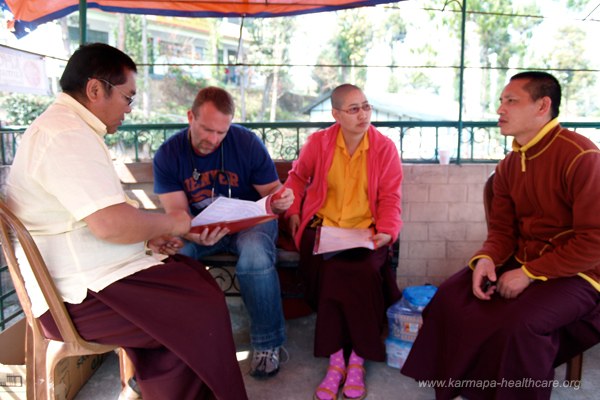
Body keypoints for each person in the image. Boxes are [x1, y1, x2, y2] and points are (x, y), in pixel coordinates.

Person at [6, 43, 248, 400]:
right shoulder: (64, 134)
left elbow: (92, 220)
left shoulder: (71, 128)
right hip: (72, 298)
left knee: (195, 281)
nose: (129, 109)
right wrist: (175, 224)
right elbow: (109, 224)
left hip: (88, 277)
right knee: (197, 311)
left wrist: (146, 240)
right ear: (94, 89)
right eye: (127, 97)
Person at [401, 71, 600, 399]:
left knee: (520, 325)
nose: (500, 110)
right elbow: (502, 231)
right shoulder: (510, 164)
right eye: (500, 101)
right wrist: (487, 259)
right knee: (449, 298)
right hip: (522, 260)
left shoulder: (582, 157)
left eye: (511, 101)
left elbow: (593, 241)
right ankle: (469, 389)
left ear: (542, 106)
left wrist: (530, 273)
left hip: (580, 273)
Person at [153, 86, 294, 378]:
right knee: (176, 254)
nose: (213, 139)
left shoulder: (245, 142)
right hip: (198, 228)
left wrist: (280, 199)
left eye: (221, 132)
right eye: (206, 130)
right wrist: (190, 233)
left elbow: (270, 191)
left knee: (255, 253)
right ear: (190, 117)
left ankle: (267, 343)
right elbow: (177, 213)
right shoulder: (169, 153)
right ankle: (178, 346)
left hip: (249, 224)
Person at [283, 84, 402, 400]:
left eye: (366, 106)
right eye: (353, 109)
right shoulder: (319, 143)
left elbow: (390, 196)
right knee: (330, 271)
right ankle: (337, 360)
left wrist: (388, 229)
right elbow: (296, 177)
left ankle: (356, 360)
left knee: (360, 273)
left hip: (367, 232)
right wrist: (293, 209)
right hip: (324, 230)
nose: (363, 114)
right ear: (335, 114)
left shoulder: (384, 148)